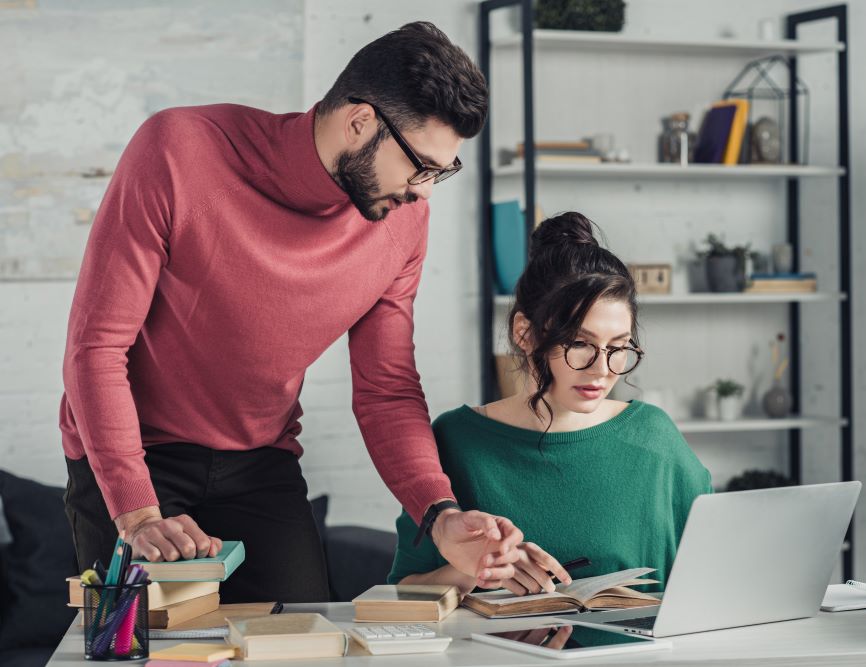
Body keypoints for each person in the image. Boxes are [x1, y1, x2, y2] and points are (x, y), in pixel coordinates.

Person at [60, 22, 529, 604]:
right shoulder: (176, 151)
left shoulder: (400, 219)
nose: (425, 191)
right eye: (420, 166)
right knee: (144, 648)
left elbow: (386, 388)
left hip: (261, 462)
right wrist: (135, 515)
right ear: (360, 122)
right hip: (134, 455)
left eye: (441, 173)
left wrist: (439, 514)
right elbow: (97, 348)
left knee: (304, 640)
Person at [388, 212, 713, 595]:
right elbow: (404, 592)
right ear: (524, 333)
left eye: (618, 347)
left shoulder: (654, 440)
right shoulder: (457, 440)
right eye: (579, 344)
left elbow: (712, 580)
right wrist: (478, 570)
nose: (601, 370)